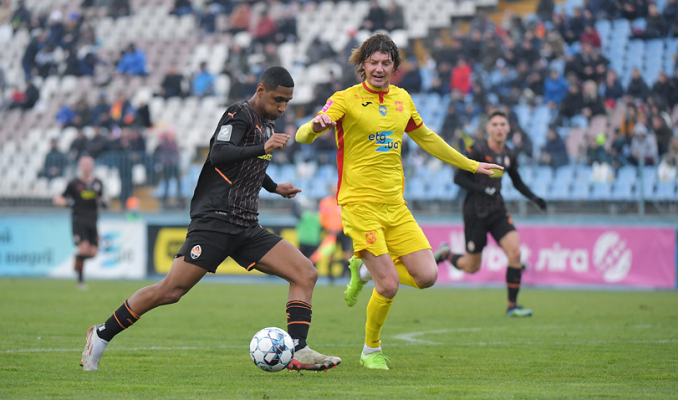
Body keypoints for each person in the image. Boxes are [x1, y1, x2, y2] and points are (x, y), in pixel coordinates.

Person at [80, 67, 341, 372]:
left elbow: (250, 164)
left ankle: (298, 349)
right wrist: (264, 147)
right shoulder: (238, 114)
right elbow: (219, 154)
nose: (283, 107)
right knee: (171, 291)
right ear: (261, 90)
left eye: (287, 101)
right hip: (216, 219)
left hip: (246, 224)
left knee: (305, 273)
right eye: (278, 99)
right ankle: (101, 334)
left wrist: (274, 187)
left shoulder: (267, 124)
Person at [295, 34, 502, 370]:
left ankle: (364, 271)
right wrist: (316, 126)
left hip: (395, 206)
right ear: (363, 65)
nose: (379, 68)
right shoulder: (345, 99)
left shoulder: (402, 99)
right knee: (389, 284)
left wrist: (471, 164)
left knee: (427, 276)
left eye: (386, 63)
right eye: (373, 62)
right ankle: (371, 350)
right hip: (359, 204)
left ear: (394, 67)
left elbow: (428, 139)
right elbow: (302, 135)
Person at [434, 110, 547, 318]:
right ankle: (445, 254)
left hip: (497, 210)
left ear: (508, 128)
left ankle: (512, 306)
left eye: (503, 124)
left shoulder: (509, 154)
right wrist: (483, 190)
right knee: (471, 266)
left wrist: (535, 198)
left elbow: (517, 182)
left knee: (515, 253)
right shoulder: (477, 150)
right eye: (495, 124)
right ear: (488, 129)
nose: (499, 128)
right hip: (475, 212)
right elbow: (458, 178)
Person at [53, 156, 104, 290]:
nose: (86, 166)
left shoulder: (98, 183)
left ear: (92, 166)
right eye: (84, 164)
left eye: (89, 164)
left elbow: (101, 198)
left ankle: (78, 259)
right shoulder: (74, 183)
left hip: (93, 221)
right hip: (78, 221)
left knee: (93, 252)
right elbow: (58, 199)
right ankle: (80, 282)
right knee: (84, 248)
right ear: (80, 166)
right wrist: (67, 203)